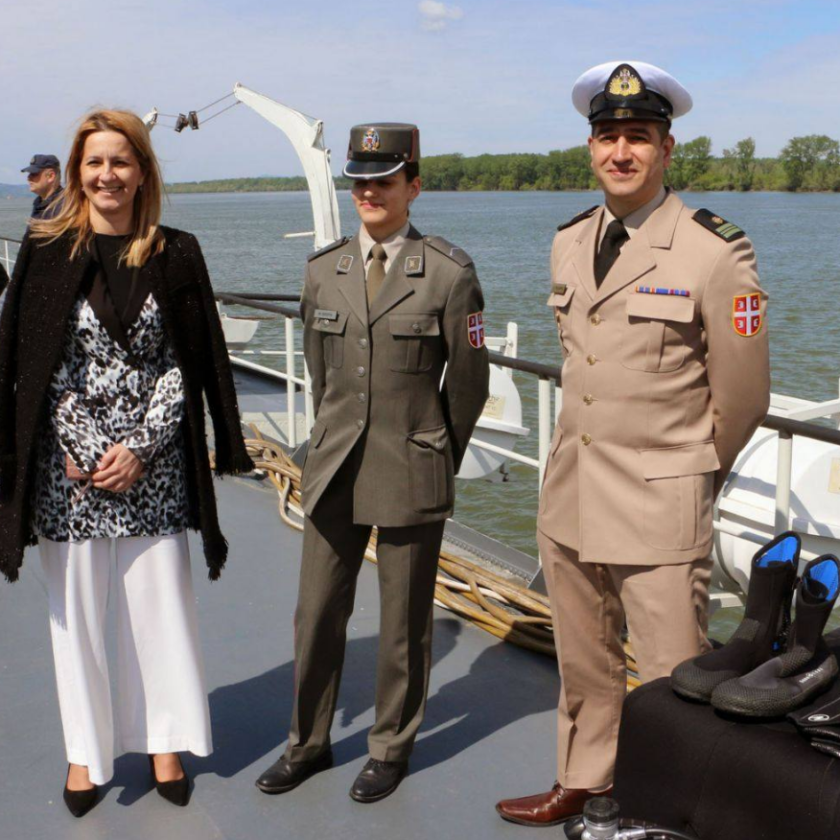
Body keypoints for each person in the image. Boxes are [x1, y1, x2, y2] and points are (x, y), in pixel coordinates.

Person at [495, 61, 771, 827]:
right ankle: (583, 779)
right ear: (591, 147)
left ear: (666, 148)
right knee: (583, 658)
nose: (621, 152)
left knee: (671, 675)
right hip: (572, 491)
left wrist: (687, 471)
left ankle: (668, 808)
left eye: (639, 137)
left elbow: (744, 397)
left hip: (660, 501)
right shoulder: (569, 241)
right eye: (608, 137)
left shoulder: (715, 250)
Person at [0, 110, 252, 817]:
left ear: (143, 171)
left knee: (160, 613)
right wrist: (84, 446)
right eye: (94, 162)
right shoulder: (46, 250)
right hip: (72, 474)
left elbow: (187, 360)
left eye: (120, 161)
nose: (106, 175)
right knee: (77, 618)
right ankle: (85, 751)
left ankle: (164, 743)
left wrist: (140, 447)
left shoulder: (178, 251)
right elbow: (35, 361)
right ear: (77, 173)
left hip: (155, 465)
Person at [255, 123, 490, 803]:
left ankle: (389, 747)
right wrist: (331, 436)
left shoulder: (448, 273)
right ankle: (308, 743)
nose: (369, 193)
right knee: (316, 613)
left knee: (403, 624)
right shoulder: (322, 270)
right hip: (334, 466)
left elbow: (467, 386)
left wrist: (435, 452)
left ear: (413, 186)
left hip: (411, 464)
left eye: (384, 181)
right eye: (359, 182)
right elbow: (320, 373)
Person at [21, 153, 64, 220]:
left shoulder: (65, 206)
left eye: (34, 174)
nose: (28, 177)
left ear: (51, 176)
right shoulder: (39, 204)